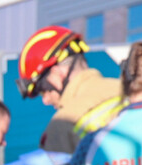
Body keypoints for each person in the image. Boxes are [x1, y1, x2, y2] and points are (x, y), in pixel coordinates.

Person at [19, 26, 121, 154]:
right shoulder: (134, 91)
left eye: (43, 90)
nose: (45, 100)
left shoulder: (61, 126)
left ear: (58, 73)